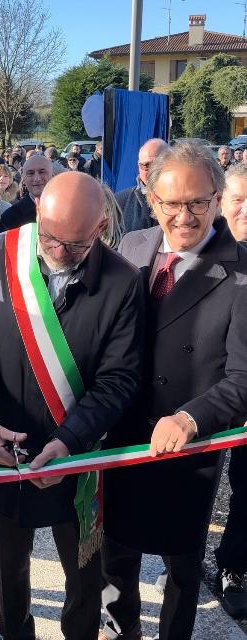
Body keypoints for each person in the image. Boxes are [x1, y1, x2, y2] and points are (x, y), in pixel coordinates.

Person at [0, 170, 144, 640]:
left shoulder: (122, 281)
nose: (59, 255)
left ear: (100, 229)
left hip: (77, 456)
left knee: (85, 576)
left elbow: (119, 379)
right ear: (38, 210)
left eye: (75, 247)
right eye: (52, 238)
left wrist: (70, 439)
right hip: (6, 447)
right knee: (9, 571)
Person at [101, 141, 247, 640]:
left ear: (217, 197)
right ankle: (122, 630)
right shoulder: (133, 248)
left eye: (197, 203)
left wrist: (189, 419)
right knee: (114, 555)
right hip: (122, 432)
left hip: (189, 445)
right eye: (171, 204)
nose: (184, 217)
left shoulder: (242, 271)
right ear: (150, 199)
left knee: (181, 567)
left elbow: (244, 380)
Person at [214, 163, 247, 619]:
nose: (246, 210)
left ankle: (234, 564)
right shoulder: (205, 250)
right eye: (238, 199)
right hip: (201, 389)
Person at [115, 138, 168, 233]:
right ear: (139, 166)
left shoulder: (185, 201)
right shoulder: (119, 202)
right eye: (147, 165)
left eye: (159, 164)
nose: (153, 170)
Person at [1, 154, 53, 229]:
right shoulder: (10, 217)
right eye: (30, 173)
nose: (37, 178)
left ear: (53, 175)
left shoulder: (68, 208)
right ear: (24, 179)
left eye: (42, 172)